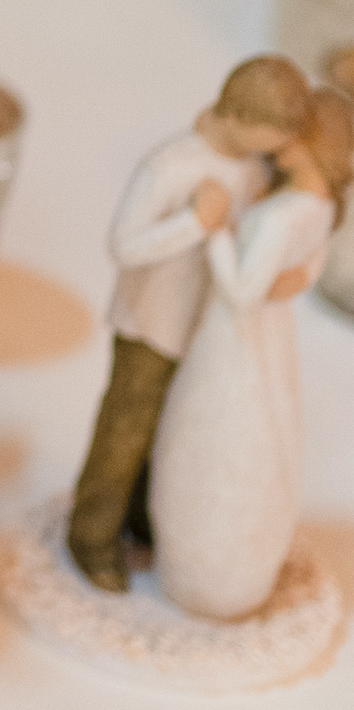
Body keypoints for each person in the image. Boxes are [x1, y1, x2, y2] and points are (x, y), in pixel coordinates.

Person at [64, 55, 311, 593]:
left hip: (206, 328)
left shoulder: (253, 169)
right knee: (124, 433)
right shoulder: (170, 166)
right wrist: (193, 223)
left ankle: (144, 515)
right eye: (272, 136)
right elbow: (124, 246)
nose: (276, 151)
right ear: (240, 115)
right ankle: (91, 537)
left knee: (169, 427)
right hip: (151, 326)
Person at [148, 86, 349, 619]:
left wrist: (215, 229)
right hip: (271, 336)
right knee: (263, 433)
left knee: (214, 434)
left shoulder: (283, 215)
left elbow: (240, 293)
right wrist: (293, 277)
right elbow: (307, 267)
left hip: (235, 337)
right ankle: (234, 570)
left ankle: (207, 571)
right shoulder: (321, 207)